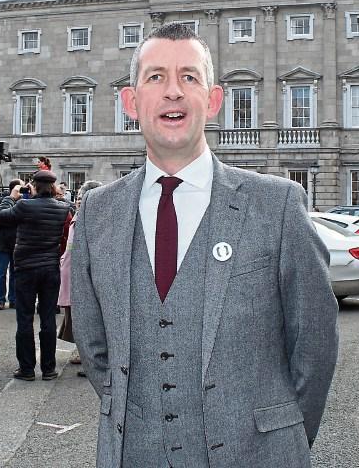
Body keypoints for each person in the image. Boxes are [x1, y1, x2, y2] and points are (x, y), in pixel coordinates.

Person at [71, 23, 338, 467]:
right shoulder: (97, 211)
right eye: (156, 77)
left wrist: (281, 436)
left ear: (213, 100)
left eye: (189, 77)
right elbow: (94, 346)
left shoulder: (277, 204)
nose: (173, 91)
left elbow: (314, 341)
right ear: (130, 102)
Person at [0, 171, 72, 381]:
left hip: (26, 269)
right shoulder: (63, 208)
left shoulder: (24, 206)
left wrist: (11, 196)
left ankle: (27, 369)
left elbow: (1, 217)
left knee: (25, 318)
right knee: (48, 319)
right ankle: (49, 368)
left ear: (34, 187)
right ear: (53, 187)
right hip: (50, 269)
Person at [58, 180, 102, 377]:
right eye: (77, 198)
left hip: (84, 276)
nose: (77, 201)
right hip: (71, 272)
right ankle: (81, 353)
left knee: (88, 320)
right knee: (75, 317)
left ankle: (90, 361)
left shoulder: (94, 217)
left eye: (81, 198)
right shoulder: (80, 215)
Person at [0, 179, 23, 310]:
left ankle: (13, 299)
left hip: (16, 242)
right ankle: (0, 299)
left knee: (15, 272)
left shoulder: (22, 203)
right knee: (2, 272)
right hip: (4, 242)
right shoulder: (2, 201)